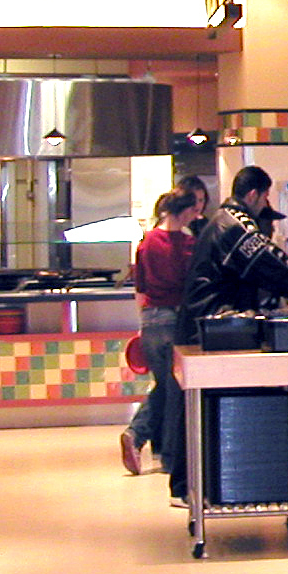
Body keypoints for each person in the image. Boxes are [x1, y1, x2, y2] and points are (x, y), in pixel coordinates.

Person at [167, 166, 288, 502]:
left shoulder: (222, 220)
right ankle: (191, 486)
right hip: (208, 328)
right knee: (196, 409)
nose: (265, 205)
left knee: (190, 409)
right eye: (265, 197)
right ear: (253, 194)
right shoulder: (233, 223)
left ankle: (188, 486)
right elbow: (267, 262)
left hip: (199, 324)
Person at [122, 187, 201, 475]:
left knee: (164, 385)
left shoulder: (147, 242)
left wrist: (142, 323)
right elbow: (192, 286)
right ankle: (160, 450)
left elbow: (140, 288)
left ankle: (143, 440)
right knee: (174, 390)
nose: (196, 216)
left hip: (150, 320)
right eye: (194, 211)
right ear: (184, 212)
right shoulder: (187, 244)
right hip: (174, 319)